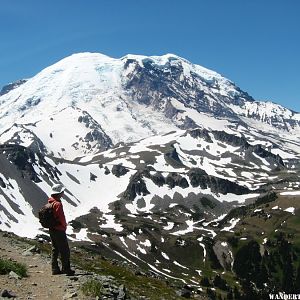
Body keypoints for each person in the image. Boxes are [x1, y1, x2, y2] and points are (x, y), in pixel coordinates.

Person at [48, 183, 75, 276]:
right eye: (62, 191)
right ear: (59, 193)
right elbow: (61, 217)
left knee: (55, 248)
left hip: (51, 229)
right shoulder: (58, 204)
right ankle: (66, 269)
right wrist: (64, 226)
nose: (63, 193)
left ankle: (54, 268)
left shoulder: (50, 202)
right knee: (65, 250)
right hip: (59, 229)